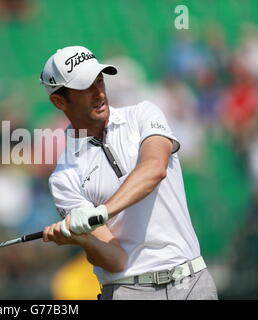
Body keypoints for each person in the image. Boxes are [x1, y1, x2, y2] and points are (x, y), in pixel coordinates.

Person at [39, 45, 218, 300]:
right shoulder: (63, 178)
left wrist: (101, 212)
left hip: (192, 283)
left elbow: (155, 168)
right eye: (84, 87)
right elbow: (116, 260)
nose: (98, 92)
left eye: (99, 80)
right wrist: (83, 241)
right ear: (59, 100)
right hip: (128, 291)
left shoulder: (144, 114)